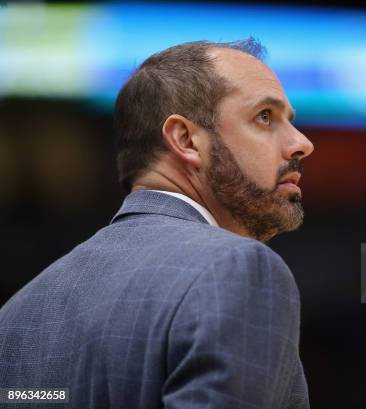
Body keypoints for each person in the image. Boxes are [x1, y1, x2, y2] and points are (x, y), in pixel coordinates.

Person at [0, 38, 314, 409]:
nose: (302, 143)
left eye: (289, 122)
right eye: (265, 116)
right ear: (185, 140)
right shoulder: (237, 268)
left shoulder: (17, 313)